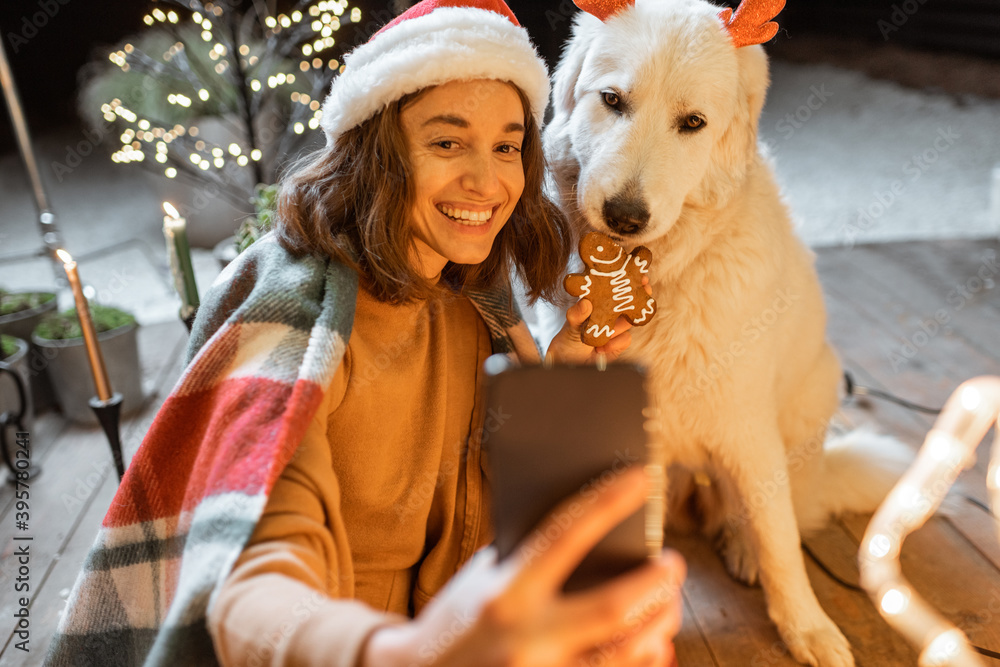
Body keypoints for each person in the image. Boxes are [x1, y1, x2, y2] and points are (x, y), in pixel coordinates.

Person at [44, 2, 685, 666]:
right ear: (377, 150)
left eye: (506, 145)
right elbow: (248, 582)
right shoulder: (299, 311)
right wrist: (401, 651)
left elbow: (472, 497)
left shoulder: (469, 292)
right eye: (446, 141)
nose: (488, 179)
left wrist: (556, 390)